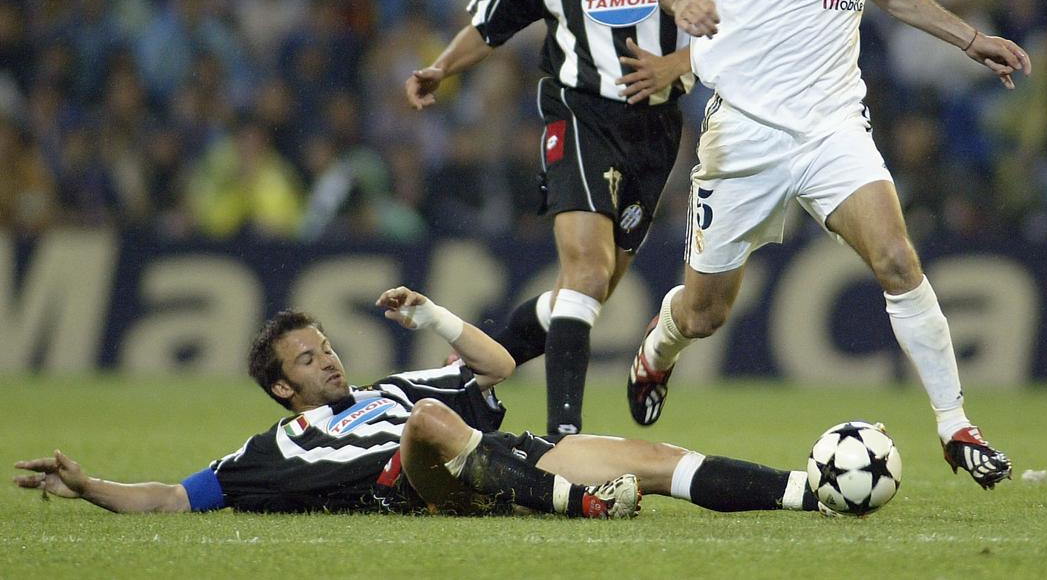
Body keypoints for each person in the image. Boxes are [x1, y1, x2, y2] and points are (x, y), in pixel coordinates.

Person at [625, 0, 1031, 491]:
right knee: (704, 313)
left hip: (833, 127)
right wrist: (683, 1)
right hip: (745, 133)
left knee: (897, 258)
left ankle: (954, 424)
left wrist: (969, 39)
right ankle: (658, 350)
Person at [405, 0, 701, 437]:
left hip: (657, 127)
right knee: (587, 273)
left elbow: (751, 9)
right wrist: (442, 67)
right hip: (578, 111)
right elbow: (491, 21)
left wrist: (677, 65)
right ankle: (562, 438)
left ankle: (473, 369)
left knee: (591, 290)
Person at [14, 287, 832, 518]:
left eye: (327, 345)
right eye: (308, 358)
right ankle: (580, 504)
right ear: (282, 388)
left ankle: (812, 489)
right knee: (427, 425)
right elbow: (170, 496)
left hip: (492, 463)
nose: (328, 359)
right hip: (416, 484)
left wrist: (433, 317)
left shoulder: (390, 387)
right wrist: (89, 486)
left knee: (653, 458)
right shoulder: (269, 451)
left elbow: (496, 364)